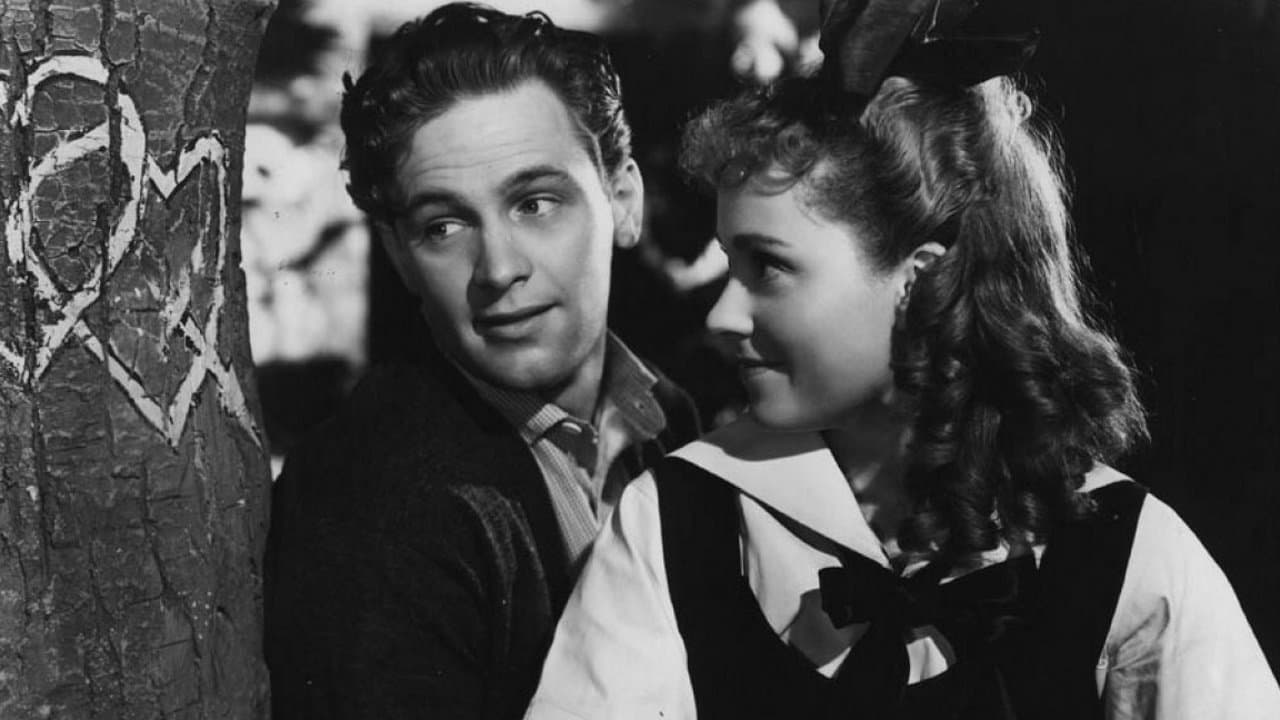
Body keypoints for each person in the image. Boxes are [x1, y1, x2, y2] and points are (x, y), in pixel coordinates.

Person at [525, 1, 1280, 718]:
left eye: (768, 267)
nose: (723, 315)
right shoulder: (674, 521)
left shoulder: (1126, 548)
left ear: (919, 280)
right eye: (728, 262)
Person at [262, 4, 701, 719]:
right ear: (401, 257)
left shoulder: (668, 415)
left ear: (623, 201)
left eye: (535, 204)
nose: (497, 269)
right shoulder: (376, 505)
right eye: (444, 225)